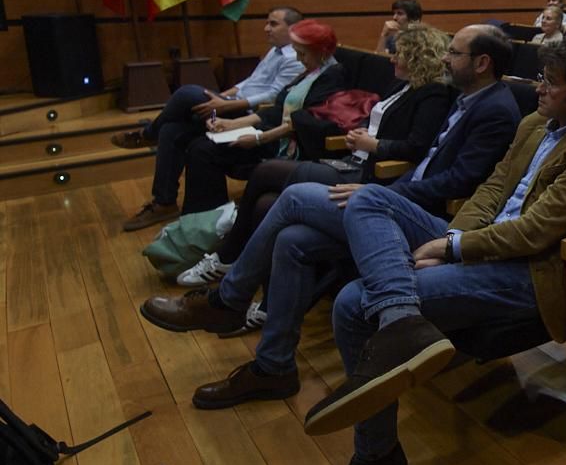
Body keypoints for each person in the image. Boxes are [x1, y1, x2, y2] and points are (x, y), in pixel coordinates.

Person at [291, 40, 566, 465]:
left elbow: (535, 234)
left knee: (353, 303)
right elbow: (491, 190)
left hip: (529, 275)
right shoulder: (536, 123)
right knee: (370, 200)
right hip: (478, 245)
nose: (538, 88)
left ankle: (376, 458)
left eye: (550, 83)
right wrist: (447, 240)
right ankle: (401, 315)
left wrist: (452, 249)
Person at [137, 26, 521, 410]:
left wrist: (385, 195)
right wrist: (383, 192)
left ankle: (227, 298)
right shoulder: (467, 99)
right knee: (292, 241)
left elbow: (458, 182)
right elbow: (425, 164)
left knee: (292, 197)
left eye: (453, 53)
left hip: (427, 217)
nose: (444, 59)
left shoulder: (495, 110)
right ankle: (274, 367)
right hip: (397, 200)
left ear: (482, 63)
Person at [176, 24, 455, 289]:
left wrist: (374, 144)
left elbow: (417, 147)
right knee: (264, 204)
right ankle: (252, 287)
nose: (392, 58)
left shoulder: (433, 93)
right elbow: (381, 122)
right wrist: (364, 133)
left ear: (418, 57)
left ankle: (227, 261)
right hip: (353, 158)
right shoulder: (402, 85)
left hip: (370, 174)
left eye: (400, 53)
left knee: (266, 173)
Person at [114, 6, 309, 231]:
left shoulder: (295, 57)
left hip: (249, 115)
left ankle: (148, 134)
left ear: (293, 28)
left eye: (273, 24)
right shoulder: (275, 51)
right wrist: (222, 97)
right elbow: (249, 83)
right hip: (233, 106)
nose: (266, 29)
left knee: (187, 93)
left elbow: (274, 97)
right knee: (172, 131)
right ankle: (164, 202)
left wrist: (226, 105)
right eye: (266, 22)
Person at [178, 20, 347, 217]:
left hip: (293, 145)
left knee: (204, 150)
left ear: (322, 52)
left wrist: (259, 139)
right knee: (199, 144)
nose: (299, 59)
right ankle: (203, 218)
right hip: (272, 132)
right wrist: (231, 124)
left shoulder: (333, 76)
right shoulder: (311, 71)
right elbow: (277, 109)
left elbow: (302, 122)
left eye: (303, 53)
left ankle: (208, 219)